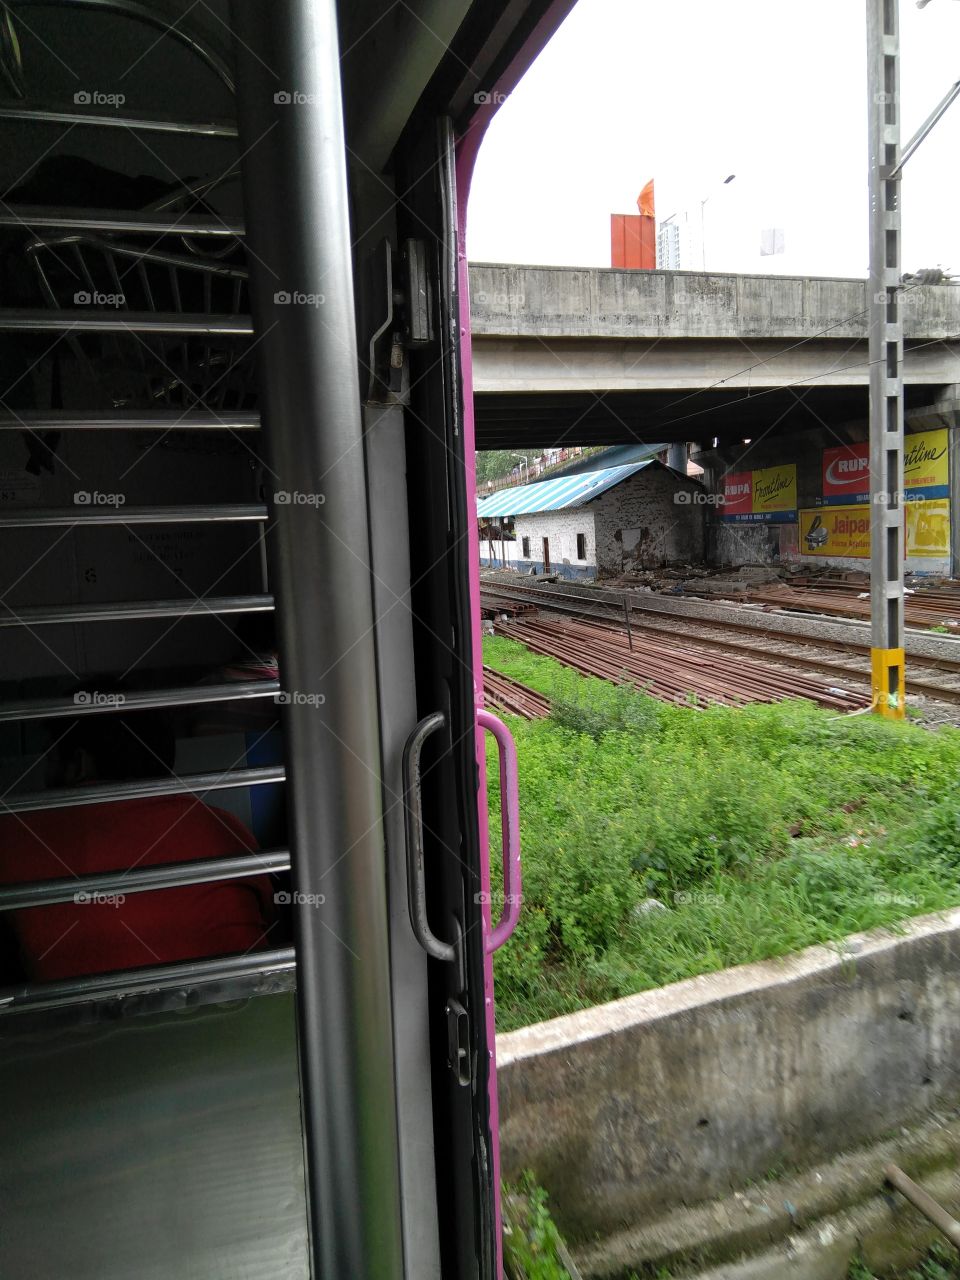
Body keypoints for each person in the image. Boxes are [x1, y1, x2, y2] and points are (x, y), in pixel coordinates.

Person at [0, 710, 276, 982]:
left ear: (79, 764)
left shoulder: (16, 835)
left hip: (80, 1023)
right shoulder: (225, 827)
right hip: (246, 1013)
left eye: (50, 759)